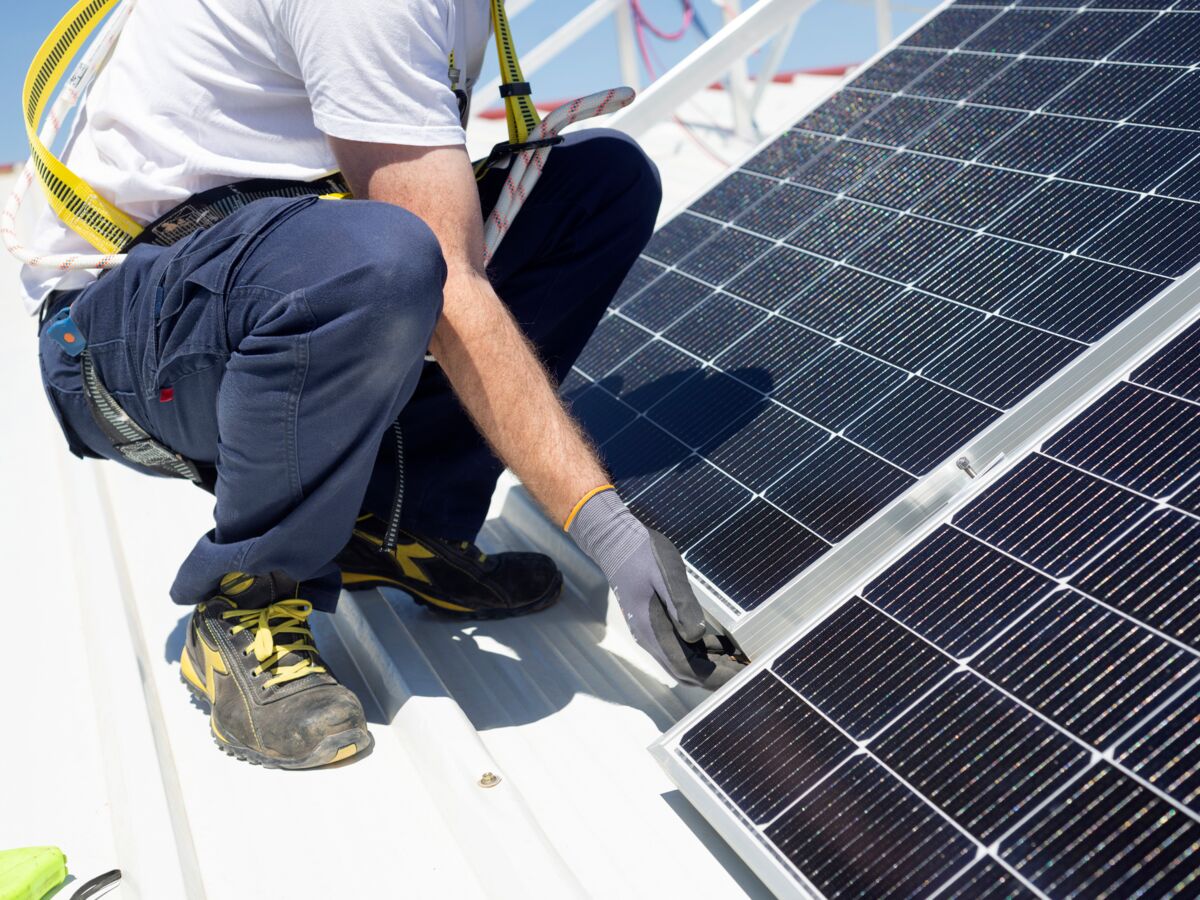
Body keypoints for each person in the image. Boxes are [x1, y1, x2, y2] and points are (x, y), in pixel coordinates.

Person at [26, 0, 741, 769]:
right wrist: (609, 534)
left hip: (255, 273)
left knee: (601, 184)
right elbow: (446, 276)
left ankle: (399, 525)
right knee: (387, 257)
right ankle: (249, 598)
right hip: (116, 336)